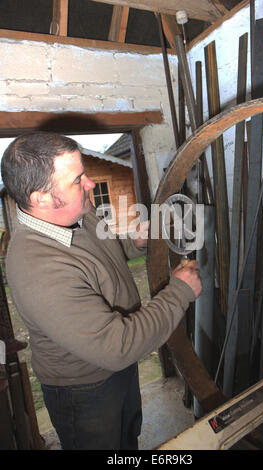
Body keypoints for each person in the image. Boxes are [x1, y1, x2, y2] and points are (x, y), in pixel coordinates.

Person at [1, 131, 202, 450]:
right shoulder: (36, 265)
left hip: (117, 370)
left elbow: (105, 248)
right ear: (41, 198)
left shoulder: (79, 212)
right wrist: (179, 291)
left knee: (127, 438)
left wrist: (134, 241)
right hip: (84, 390)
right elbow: (116, 345)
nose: (90, 184)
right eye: (77, 179)